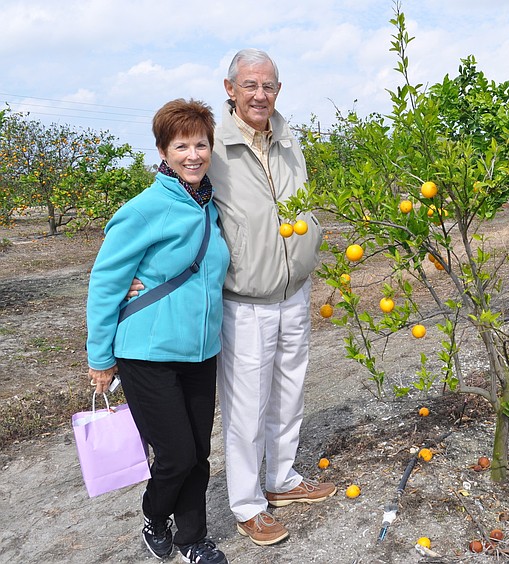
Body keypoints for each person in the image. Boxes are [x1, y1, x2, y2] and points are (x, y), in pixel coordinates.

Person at [87, 99, 230, 564]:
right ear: (163, 151)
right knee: (175, 455)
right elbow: (106, 283)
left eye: (201, 144)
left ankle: (193, 540)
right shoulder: (144, 209)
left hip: (201, 351)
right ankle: (154, 515)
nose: (193, 154)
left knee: (199, 455)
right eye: (181, 145)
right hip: (147, 352)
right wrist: (100, 357)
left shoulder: (209, 207)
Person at [209, 48, 336, 545]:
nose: (260, 95)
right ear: (230, 88)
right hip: (245, 299)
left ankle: (282, 480)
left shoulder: (288, 140)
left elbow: (303, 201)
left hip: (294, 292)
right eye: (250, 86)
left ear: (278, 91)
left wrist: (313, 241)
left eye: (269, 86)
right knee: (246, 405)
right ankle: (246, 502)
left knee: (289, 390)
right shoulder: (213, 146)